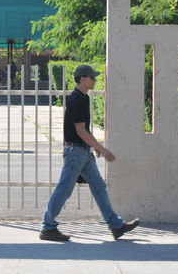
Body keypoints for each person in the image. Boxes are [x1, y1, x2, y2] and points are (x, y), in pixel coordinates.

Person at [40, 64, 139, 241]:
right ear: (83, 79)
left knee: (99, 186)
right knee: (64, 189)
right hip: (75, 152)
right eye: (92, 77)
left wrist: (93, 147)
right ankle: (47, 227)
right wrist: (101, 148)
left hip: (83, 152)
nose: (95, 79)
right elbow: (80, 130)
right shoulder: (76, 100)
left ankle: (115, 225)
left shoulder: (83, 98)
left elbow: (83, 130)